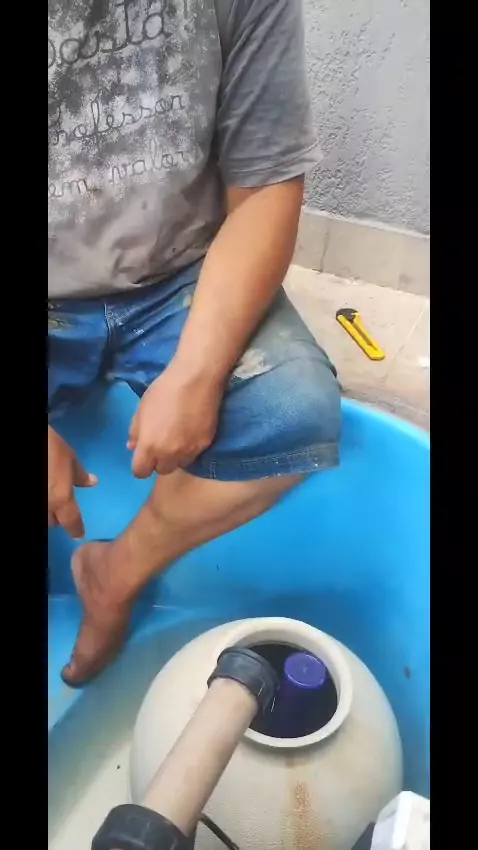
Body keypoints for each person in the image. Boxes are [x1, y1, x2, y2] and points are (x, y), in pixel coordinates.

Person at [48, 0, 341, 687]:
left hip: (178, 271)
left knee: (292, 415)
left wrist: (199, 372)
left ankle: (114, 575)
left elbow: (264, 187)